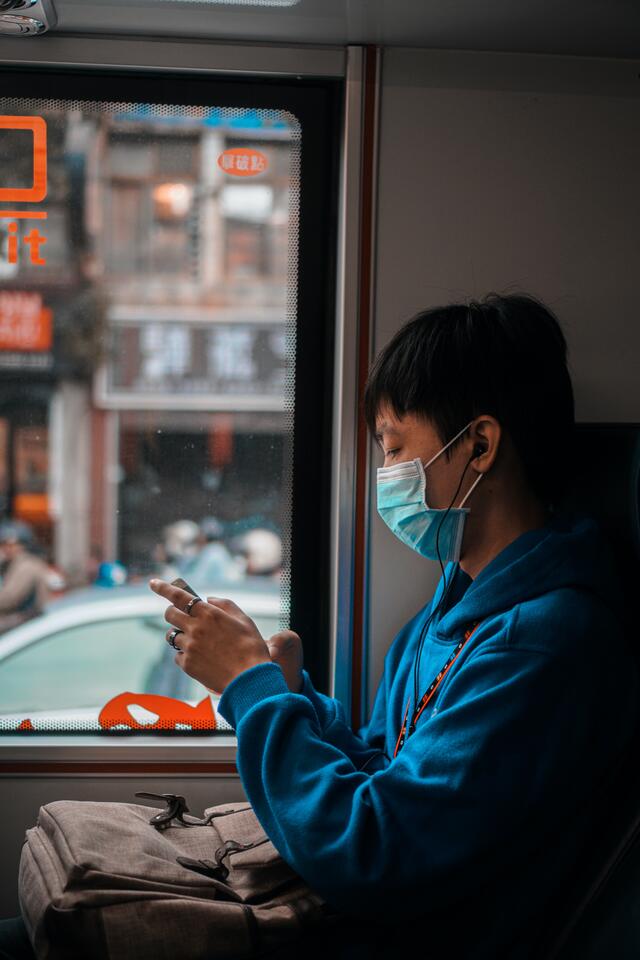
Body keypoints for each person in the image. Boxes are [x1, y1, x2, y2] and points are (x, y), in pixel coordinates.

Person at [2, 293, 637, 958]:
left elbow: (373, 852)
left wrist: (252, 691)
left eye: (394, 449)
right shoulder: (456, 601)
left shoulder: (545, 644)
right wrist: (295, 697)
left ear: (478, 444)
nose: (385, 475)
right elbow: (385, 771)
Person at [0, 521, 50, 635]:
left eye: (12, 544)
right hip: (20, 619)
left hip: (28, 622)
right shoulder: (10, 563)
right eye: (3, 544)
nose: (7, 549)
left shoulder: (27, 565)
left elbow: (9, 598)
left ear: (23, 545)